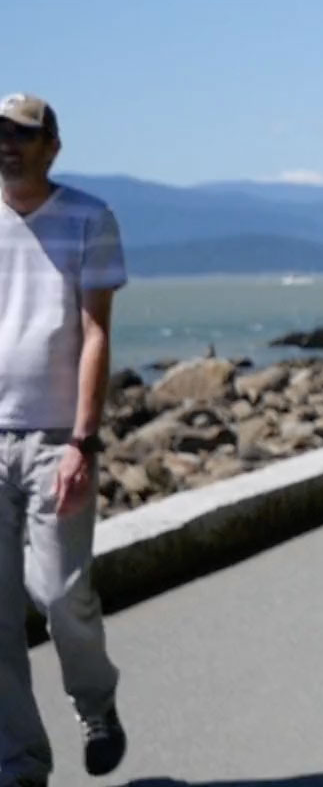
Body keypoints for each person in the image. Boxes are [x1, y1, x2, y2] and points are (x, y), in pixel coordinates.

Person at [0, 93, 129, 785]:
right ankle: (18, 765)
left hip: (58, 438)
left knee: (59, 595)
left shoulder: (89, 217)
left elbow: (96, 332)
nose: (7, 147)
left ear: (52, 145)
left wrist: (84, 440)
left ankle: (96, 702)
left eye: (21, 135)